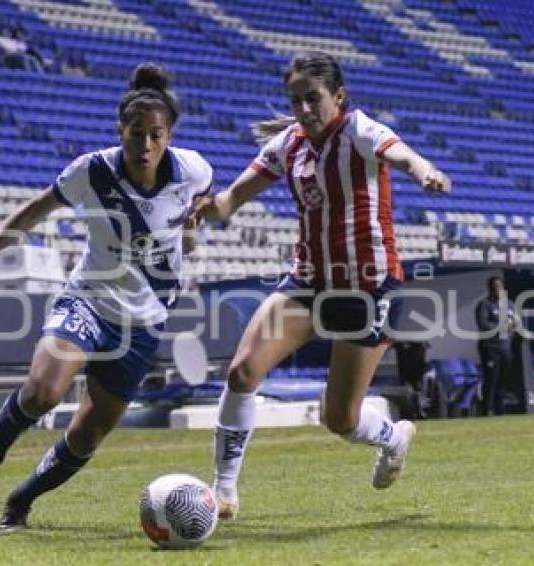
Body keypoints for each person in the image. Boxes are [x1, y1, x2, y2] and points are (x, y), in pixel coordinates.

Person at [0, 63, 212, 531]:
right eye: (136, 133)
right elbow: (33, 212)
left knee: (87, 435)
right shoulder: (92, 172)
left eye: (156, 135)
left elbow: (198, 209)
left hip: (143, 321)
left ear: (170, 135)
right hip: (88, 300)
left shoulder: (194, 170)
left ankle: (20, 502)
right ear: (119, 129)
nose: (145, 145)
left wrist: (189, 233)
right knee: (43, 392)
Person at [193, 51, 451, 519]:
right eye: (296, 101)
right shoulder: (287, 145)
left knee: (340, 419)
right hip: (308, 283)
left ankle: (393, 437)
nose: (304, 110)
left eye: (313, 99)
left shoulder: (359, 131)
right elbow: (232, 200)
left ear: (339, 96)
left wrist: (424, 172)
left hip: (367, 289)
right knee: (242, 372)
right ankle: (224, 492)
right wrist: (206, 208)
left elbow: (402, 154)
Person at [474, 276, 516, 416]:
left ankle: (500, 410)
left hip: (506, 348)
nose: (498, 289)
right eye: (495, 287)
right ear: (490, 289)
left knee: (504, 381)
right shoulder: (485, 305)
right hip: (490, 348)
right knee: (491, 379)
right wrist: (502, 327)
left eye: (500, 286)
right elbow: (483, 325)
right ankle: (486, 410)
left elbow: (516, 322)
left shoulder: (510, 305)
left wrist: (515, 328)